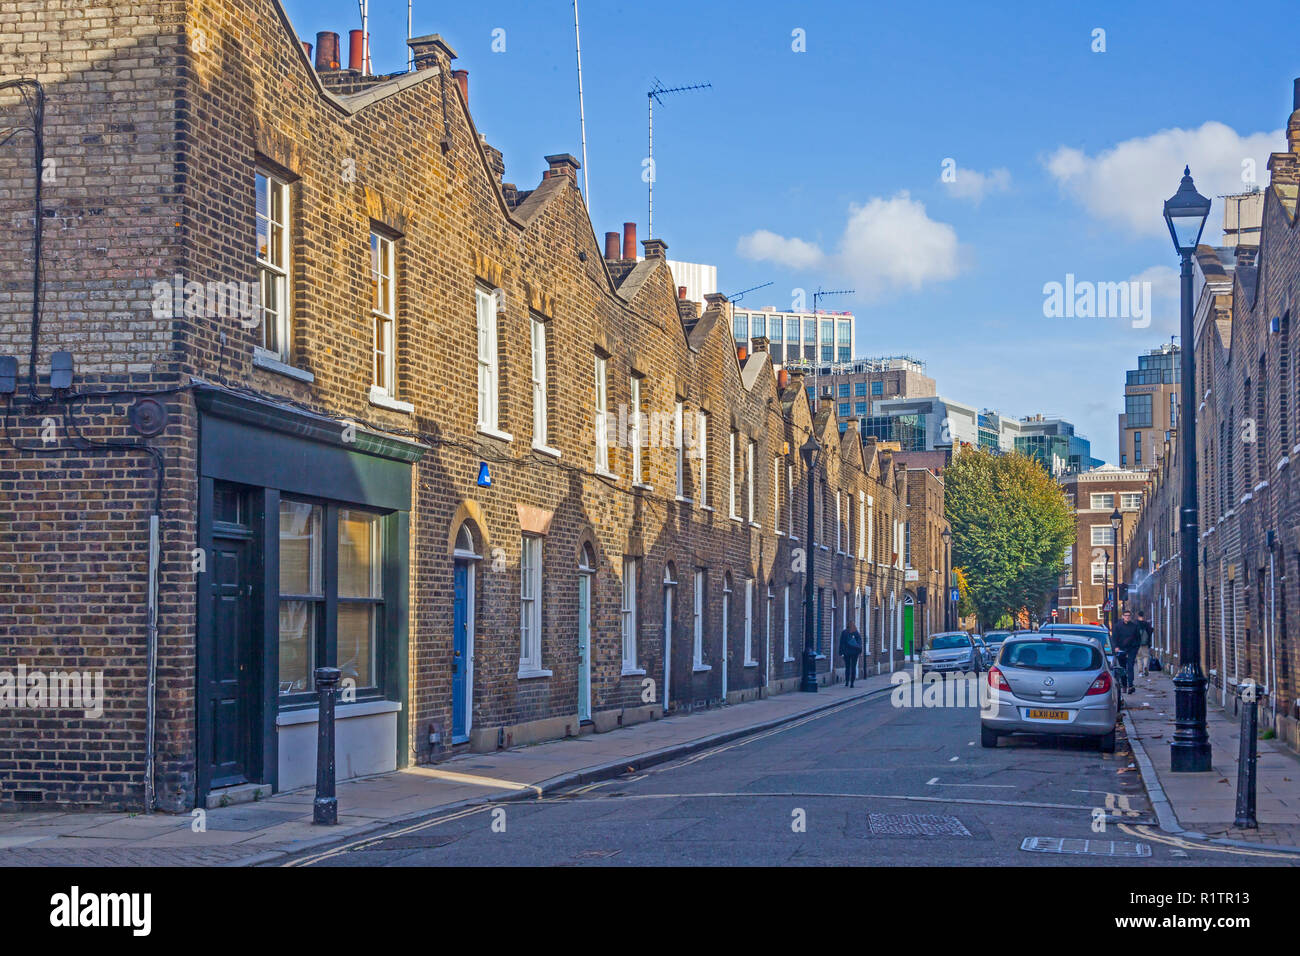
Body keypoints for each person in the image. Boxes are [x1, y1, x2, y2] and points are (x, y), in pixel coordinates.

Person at [1113, 609, 1143, 694]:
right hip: (1121, 649)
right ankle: (1124, 685)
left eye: (1129, 616)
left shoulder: (1134, 626)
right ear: (1123, 616)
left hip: (1131, 649)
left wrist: (1136, 648)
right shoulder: (1117, 626)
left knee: (1130, 666)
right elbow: (1114, 638)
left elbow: (1138, 638)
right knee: (1122, 668)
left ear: (1130, 617)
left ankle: (1130, 685)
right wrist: (1116, 647)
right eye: (1126, 615)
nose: (1127, 617)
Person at [839, 622, 863, 688]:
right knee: (853, 667)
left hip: (846, 653)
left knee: (847, 667)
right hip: (855, 653)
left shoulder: (844, 632)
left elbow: (841, 643)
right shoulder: (856, 633)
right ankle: (852, 683)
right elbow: (860, 643)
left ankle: (847, 682)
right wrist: (860, 651)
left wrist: (841, 652)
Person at [1135, 611, 1155, 677]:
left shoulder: (1136, 623)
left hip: (1137, 644)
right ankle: (1145, 666)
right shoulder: (1146, 624)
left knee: (1138, 658)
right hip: (1145, 643)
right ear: (1143, 616)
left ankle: (1140, 672)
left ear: (1138, 616)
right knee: (1146, 656)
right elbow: (1151, 631)